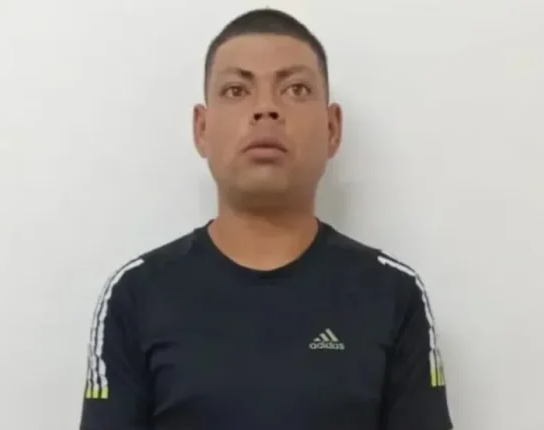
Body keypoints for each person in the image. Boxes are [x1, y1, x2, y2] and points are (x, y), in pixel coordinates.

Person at [79, 7, 453, 430]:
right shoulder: (135, 295)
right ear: (202, 129)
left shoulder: (392, 295)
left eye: (295, 89)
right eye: (237, 90)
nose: (265, 109)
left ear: (332, 129)